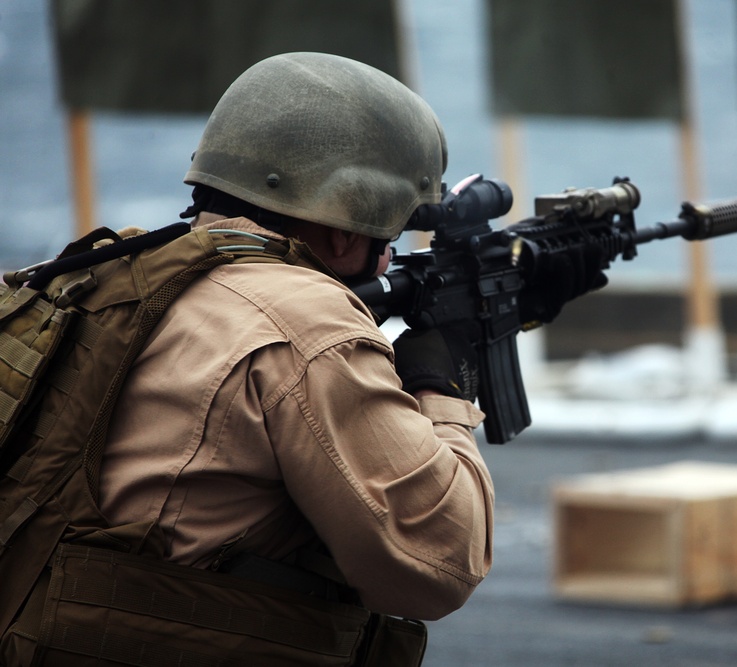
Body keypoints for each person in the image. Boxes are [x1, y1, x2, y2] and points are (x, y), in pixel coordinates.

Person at [2, 52, 492, 665]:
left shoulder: (99, 272)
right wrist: (440, 388)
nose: (392, 259)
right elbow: (437, 564)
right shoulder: (306, 320)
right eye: (389, 238)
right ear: (345, 230)